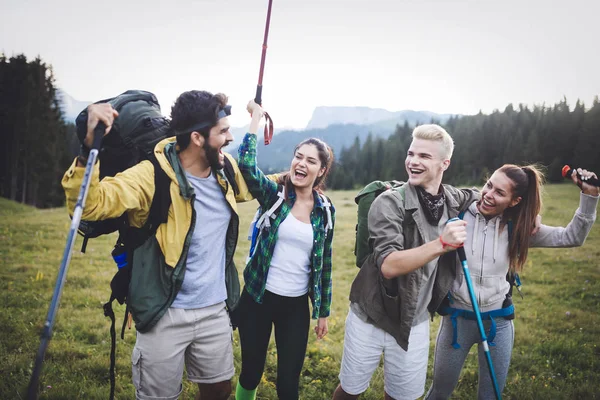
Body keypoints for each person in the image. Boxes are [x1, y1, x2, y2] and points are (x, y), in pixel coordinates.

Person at [62, 90, 258, 400]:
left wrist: (292, 180)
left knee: (220, 391)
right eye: (223, 131)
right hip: (164, 313)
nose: (230, 137)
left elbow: (250, 187)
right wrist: (88, 151)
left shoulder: (225, 170)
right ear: (197, 137)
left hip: (215, 310)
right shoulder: (150, 176)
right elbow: (90, 205)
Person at [426, 165, 599, 399]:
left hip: (499, 324)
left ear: (515, 201)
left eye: (499, 192)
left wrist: (590, 195)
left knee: (490, 396)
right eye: (489, 185)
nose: (488, 194)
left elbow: (572, 237)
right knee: (439, 392)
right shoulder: (457, 216)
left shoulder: (518, 228)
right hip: (457, 323)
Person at [333, 124, 479, 400]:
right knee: (351, 390)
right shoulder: (388, 202)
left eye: (424, 156)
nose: (413, 161)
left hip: (416, 319)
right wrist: (442, 244)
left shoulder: (450, 198)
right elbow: (388, 265)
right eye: (411, 153)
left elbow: (480, 196)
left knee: (403, 396)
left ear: (444, 163)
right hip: (372, 315)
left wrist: (519, 210)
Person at [234, 100, 336, 400]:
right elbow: (247, 167)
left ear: (321, 170)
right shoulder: (274, 196)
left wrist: (323, 312)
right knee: (251, 372)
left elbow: (326, 262)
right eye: (297, 157)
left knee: (289, 383)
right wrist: (256, 120)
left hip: (295, 307)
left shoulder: (326, 211)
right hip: (257, 299)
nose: (301, 164)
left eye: (310, 161)